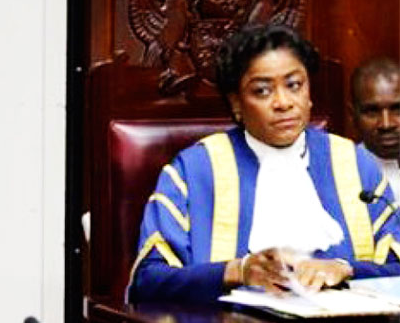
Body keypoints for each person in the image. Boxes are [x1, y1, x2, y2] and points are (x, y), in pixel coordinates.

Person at [129, 24, 400, 302]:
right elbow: (147, 281)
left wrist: (346, 269)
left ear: (309, 94)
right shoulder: (195, 169)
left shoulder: (354, 163)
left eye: (294, 85)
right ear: (236, 103)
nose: (283, 103)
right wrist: (239, 270)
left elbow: (396, 269)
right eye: (262, 91)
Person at [350, 56, 400, 196]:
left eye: (397, 109)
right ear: (353, 116)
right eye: (372, 111)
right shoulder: (338, 174)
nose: (386, 124)